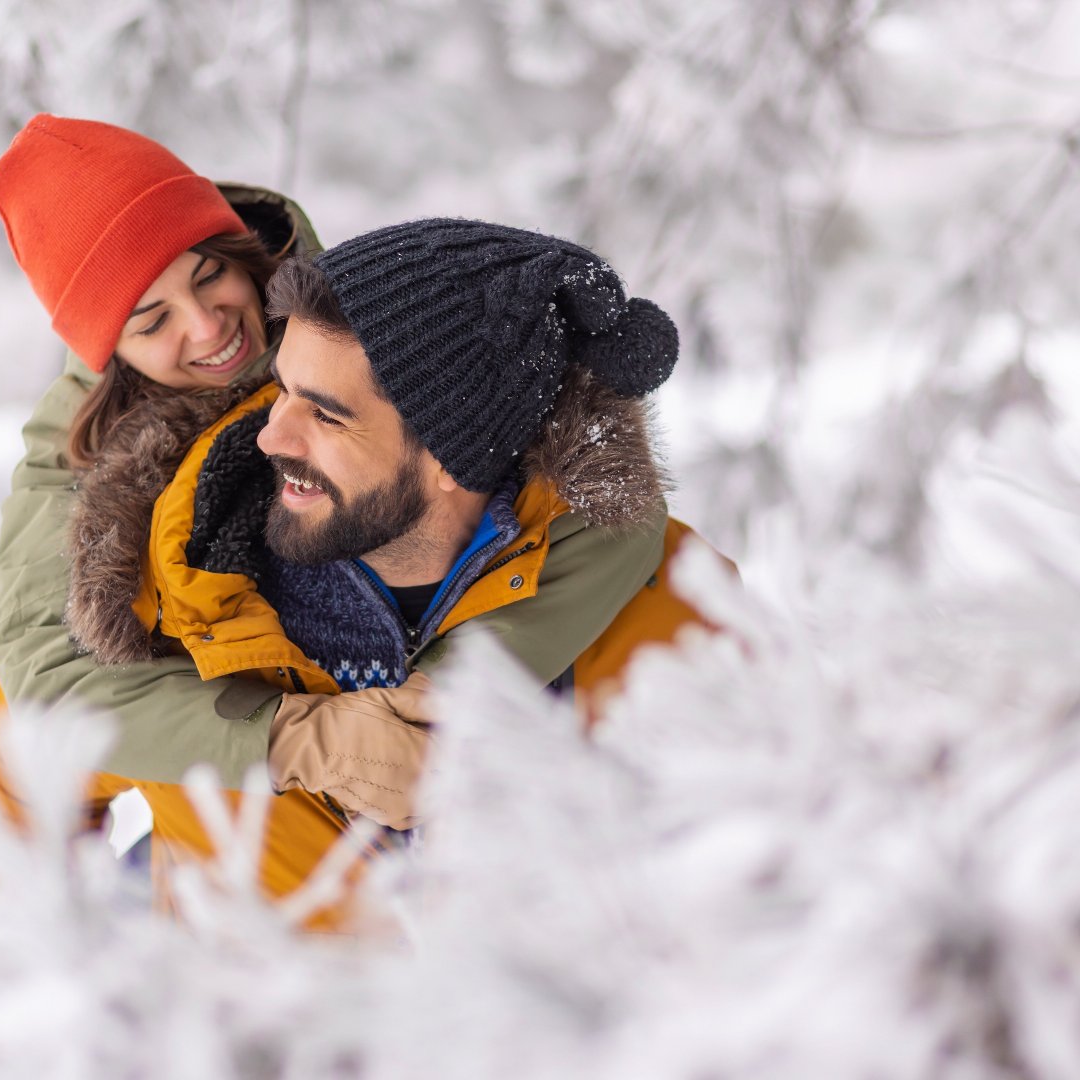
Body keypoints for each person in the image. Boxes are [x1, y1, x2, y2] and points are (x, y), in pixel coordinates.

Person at [0, 118, 669, 857]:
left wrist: (434, 704)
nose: (209, 327)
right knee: (7, 729)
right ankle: (48, 952)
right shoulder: (79, 442)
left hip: (423, 638)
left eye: (211, 274)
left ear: (240, 245)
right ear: (105, 351)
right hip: (253, 715)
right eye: (153, 322)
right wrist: (306, 741)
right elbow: (43, 672)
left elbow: (607, 490)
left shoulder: (360, 313)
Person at [53, 217, 725, 929]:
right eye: (282, 389)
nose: (270, 434)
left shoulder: (679, 610)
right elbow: (23, 791)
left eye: (327, 415)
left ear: (451, 459)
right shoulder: (168, 612)